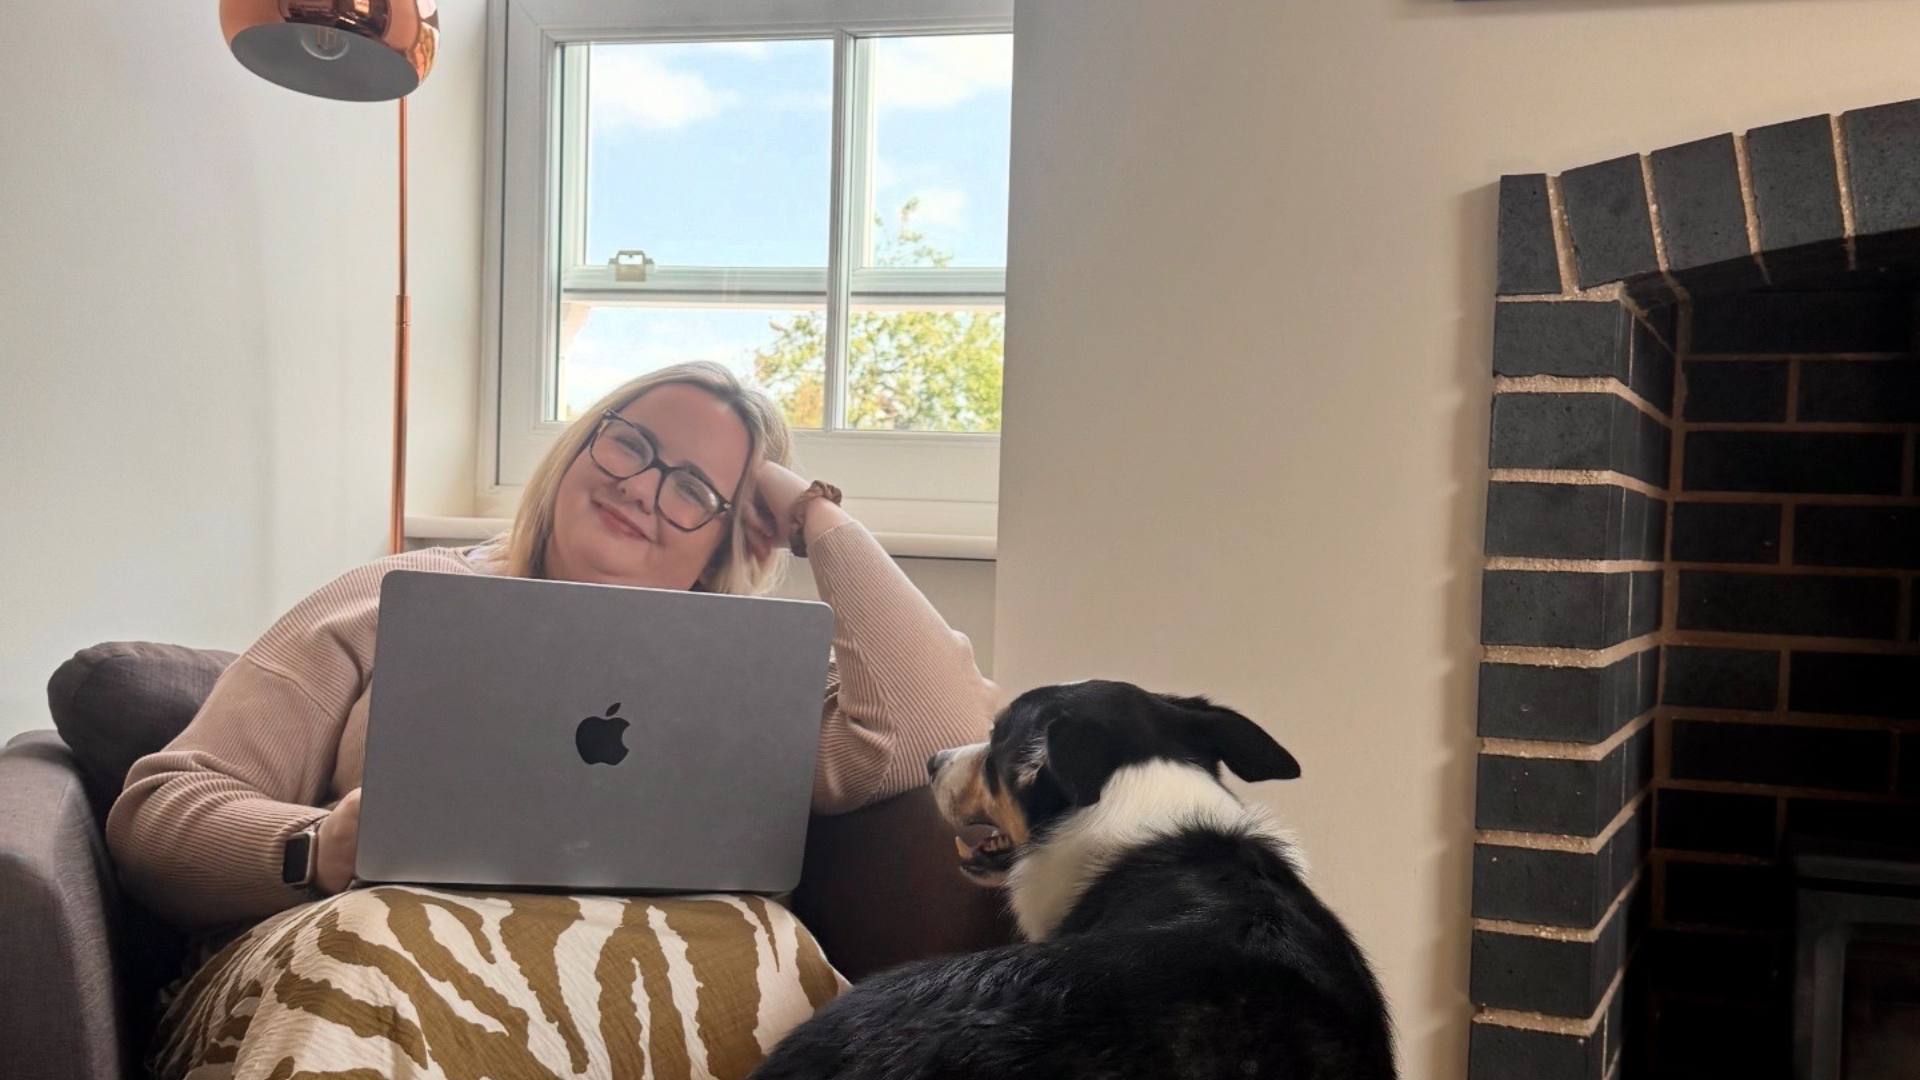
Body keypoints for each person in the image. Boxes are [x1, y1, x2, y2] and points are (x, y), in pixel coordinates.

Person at [105, 361, 999, 1080]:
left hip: (676, 979)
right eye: (631, 446)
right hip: (381, 952)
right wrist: (320, 846)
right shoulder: (395, 599)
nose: (646, 488)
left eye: (694, 488)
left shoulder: (757, 668)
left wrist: (813, 514)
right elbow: (160, 812)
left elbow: (941, 733)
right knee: (367, 957)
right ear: (578, 449)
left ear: (731, 539)